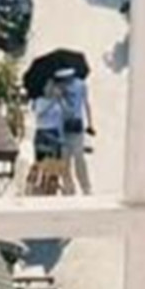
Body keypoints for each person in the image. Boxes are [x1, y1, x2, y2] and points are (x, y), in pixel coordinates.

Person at [55, 67, 95, 195]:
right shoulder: (81, 84)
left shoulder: (59, 89)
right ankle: (84, 187)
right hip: (76, 126)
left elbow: (66, 111)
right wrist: (90, 123)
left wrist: (60, 98)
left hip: (66, 127)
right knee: (77, 159)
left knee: (68, 160)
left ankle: (72, 188)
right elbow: (86, 104)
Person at [28, 80, 67, 195]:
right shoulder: (39, 100)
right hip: (43, 133)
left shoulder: (58, 102)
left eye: (53, 86)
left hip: (55, 134)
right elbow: (39, 112)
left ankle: (51, 190)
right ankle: (35, 186)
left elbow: (63, 118)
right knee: (41, 163)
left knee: (54, 168)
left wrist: (61, 101)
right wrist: (53, 100)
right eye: (48, 86)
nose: (51, 89)